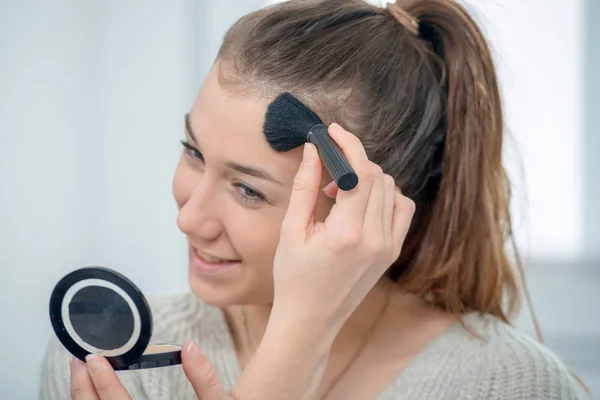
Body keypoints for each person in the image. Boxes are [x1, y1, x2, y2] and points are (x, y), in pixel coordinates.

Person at [40, 0, 586, 399]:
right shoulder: (107, 363)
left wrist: (299, 333)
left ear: (365, 208)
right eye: (193, 152)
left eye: (248, 189)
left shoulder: (513, 385)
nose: (189, 217)